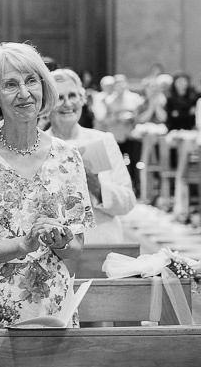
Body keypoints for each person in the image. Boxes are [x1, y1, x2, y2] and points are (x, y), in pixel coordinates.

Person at [0, 42, 94, 329]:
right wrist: (22, 245)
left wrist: (61, 241)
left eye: (31, 81)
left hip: (51, 305)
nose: (24, 93)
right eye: (10, 85)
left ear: (44, 87)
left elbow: (75, 247)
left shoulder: (68, 157)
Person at [47, 68, 135, 242]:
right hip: (55, 245)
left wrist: (97, 187)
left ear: (82, 99)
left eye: (72, 96)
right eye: (59, 98)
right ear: (47, 104)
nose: (67, 104)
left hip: (102, 241)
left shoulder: (103, 140)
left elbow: (128, 202)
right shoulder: (39, 145)